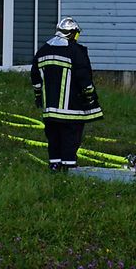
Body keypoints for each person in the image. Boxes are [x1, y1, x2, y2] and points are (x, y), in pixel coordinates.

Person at [31, 16, 103, 171]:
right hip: (72, 110)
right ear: (71, 33)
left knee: (54, 139)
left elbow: (35, 79)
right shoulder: (75, 51)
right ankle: (69, 169)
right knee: (71, 140)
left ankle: (55, 166)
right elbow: (84, 78)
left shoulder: (42, 51)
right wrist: (90, 97)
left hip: (50, 110)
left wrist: (38, 96)